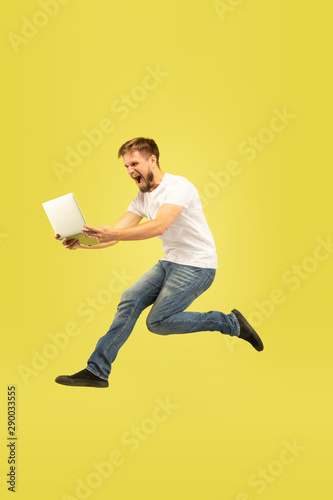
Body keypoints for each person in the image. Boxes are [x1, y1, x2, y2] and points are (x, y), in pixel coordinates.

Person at [55, 137, 263, 388]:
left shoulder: (179, 187)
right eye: (126, 167)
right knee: (129, 299)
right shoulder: (142, 197)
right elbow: (116, 233)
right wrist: (84, 242)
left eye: (134, 163)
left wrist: (113, 233)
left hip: (198, 266)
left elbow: (159, 226)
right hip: (170, 262)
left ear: (152, 160)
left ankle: (230, 323)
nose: (131, 171)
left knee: (157, 322)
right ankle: (97, 371)